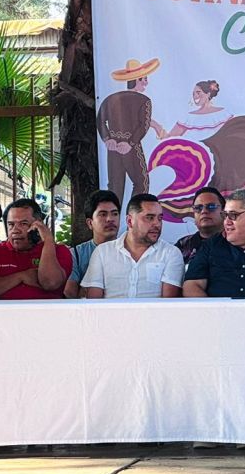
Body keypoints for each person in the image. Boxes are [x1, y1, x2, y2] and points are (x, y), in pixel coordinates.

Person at [81, 193, 184, 298]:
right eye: (149, 218)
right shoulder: (102, 252)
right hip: (110, 309)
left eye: (160, 218)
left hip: (154, 310)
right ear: (130, 221)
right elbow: (94, 302)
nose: (157, 224)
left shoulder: (170, 253)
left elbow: (169, 304)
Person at [0, 198, 73, 299]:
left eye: (23, 224)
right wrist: (21, 276)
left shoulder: (59, 251)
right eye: (11, 224)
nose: (15, 230)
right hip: (3, 309)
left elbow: (50, 283)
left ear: (38, 225)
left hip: (46, 309)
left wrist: (47, 240)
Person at [96, 57, 167, 201]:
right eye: (144, 79)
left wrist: (108, 139)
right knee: (141, 183)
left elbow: (100, 120)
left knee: (115, 186)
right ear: (136, 80)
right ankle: (134, 213)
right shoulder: (144, 101)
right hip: (131, 147)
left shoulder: (111, 99)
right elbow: (143, 125)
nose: (146, 82)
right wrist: (130, 143)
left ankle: (116, 214)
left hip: (113, 148)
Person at [64, 190, 121, 298]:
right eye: (103, 214)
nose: (110, 219)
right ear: (90, 223)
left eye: (115, 214)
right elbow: (70, 293)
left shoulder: (129, 251)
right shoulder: (76, 254)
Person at [174, 187, 225, 263]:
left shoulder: (237, 243)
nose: (204, 211)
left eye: (211, 206)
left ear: (224, 212)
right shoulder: (183, 245)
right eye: (198, 208)